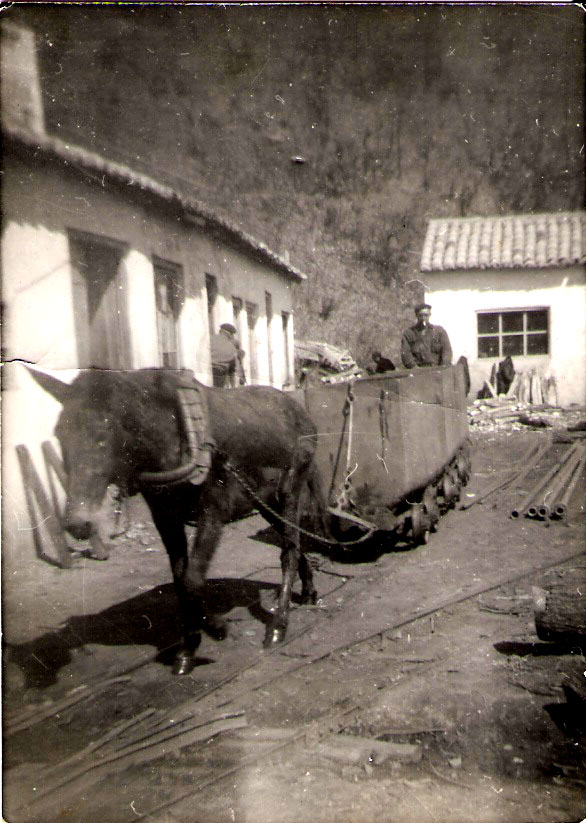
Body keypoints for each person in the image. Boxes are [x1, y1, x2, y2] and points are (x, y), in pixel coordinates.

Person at [400, 303, 452, 369]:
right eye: (421, 315)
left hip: (437, 370)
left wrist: (442, 368)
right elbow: (406, 355)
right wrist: (415, 368)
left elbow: (447, 351)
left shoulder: (439, 332)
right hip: (418, 372)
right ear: (416, 315)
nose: (423, 318)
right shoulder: (409, 334)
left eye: (426, 315)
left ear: (430, 315)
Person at [210, 323, 243, 387]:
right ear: (230, 334)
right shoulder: (231, 347)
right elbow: (233, 369)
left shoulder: (210, 339)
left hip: (207, 370)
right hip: (220, 373)